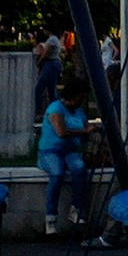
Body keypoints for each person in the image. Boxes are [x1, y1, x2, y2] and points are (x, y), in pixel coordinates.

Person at [38, 75, 94, 235]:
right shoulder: (56, 109)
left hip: (71, 150)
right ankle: (50, 216)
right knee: (56, 173)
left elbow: (86, 125)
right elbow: (61, 132)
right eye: (80, 97)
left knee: (79, 168)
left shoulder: (79, 111)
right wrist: (84, 131)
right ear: (73, 95)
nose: (81, 101)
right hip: (51, 151)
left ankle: (76, 208)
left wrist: (91, 131)